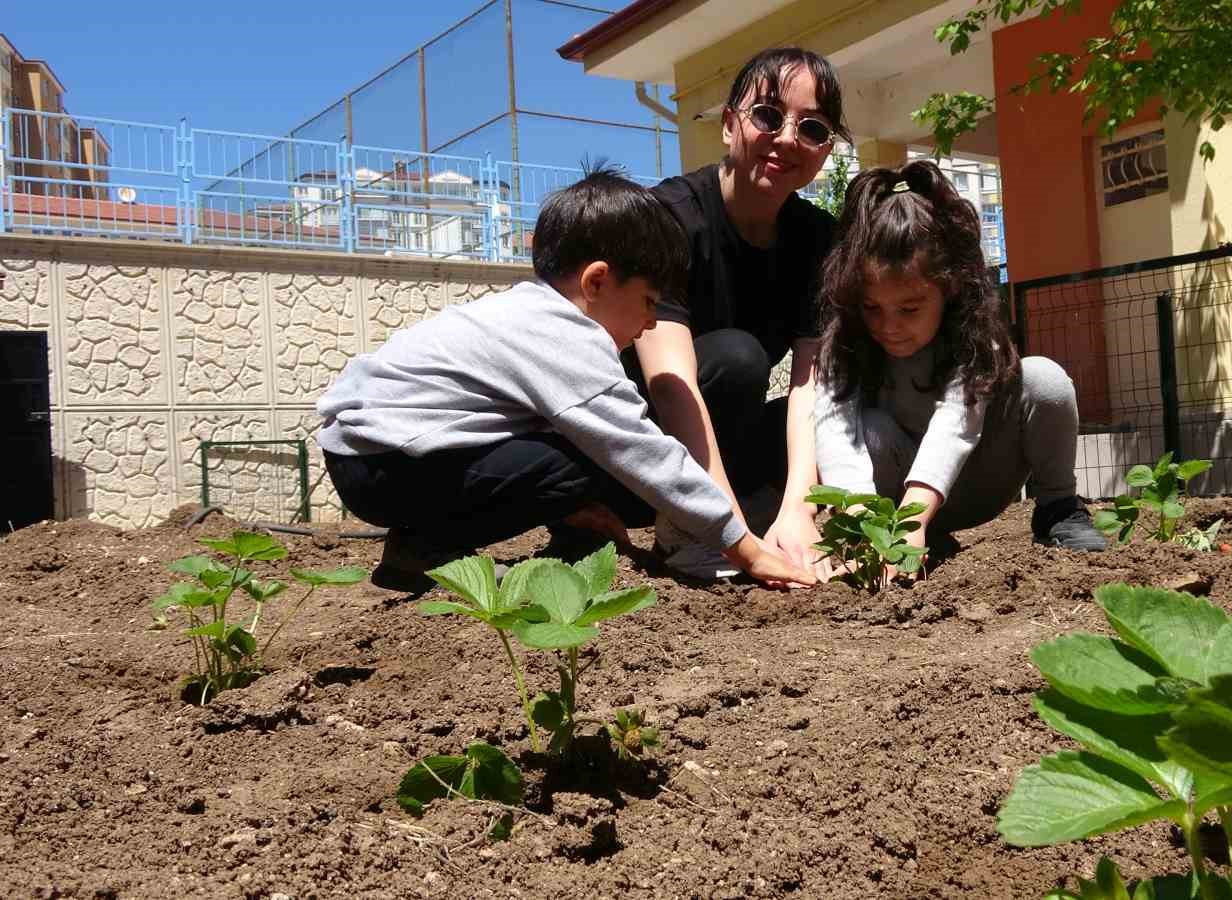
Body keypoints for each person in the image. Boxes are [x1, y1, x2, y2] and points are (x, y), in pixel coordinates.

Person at [315, 168, 816, 593]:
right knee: (587, 461)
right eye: (647, 302)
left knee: (576, 456)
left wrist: (580, 509)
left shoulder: (526, 311)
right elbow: (645, 453)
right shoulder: (563, 337)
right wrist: (747, 549)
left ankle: (423, 546)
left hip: (373, 454)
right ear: (597, 281)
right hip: (384, 464)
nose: (648, 324)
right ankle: (430, 549)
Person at [811, 160, 1108, 557]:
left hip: (976, 486)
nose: (889, 325)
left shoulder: (978, 336)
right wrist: (864, 526)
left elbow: (955, 425)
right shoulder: (846, 342)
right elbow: (836, 437)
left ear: (949, 287)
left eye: (910, 309)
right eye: (872, 308)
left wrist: (914, 519)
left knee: (1044, 380)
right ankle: (907, 535)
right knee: (870, 426)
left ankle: (1058, 509)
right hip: (890, 496)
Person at [631, 47, 847, 578]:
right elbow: (667, 383)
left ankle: (766, 514)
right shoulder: (670, 219)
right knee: (736, 357)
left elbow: (808, 386)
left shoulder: (818, 238)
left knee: (836, 420)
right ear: (730, 125)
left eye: (813, 128)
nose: (788, 138)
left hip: (724, 443)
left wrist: (802, 505)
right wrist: (727, 532)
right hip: (638, 445)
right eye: (768, 115)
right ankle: (687, 528)